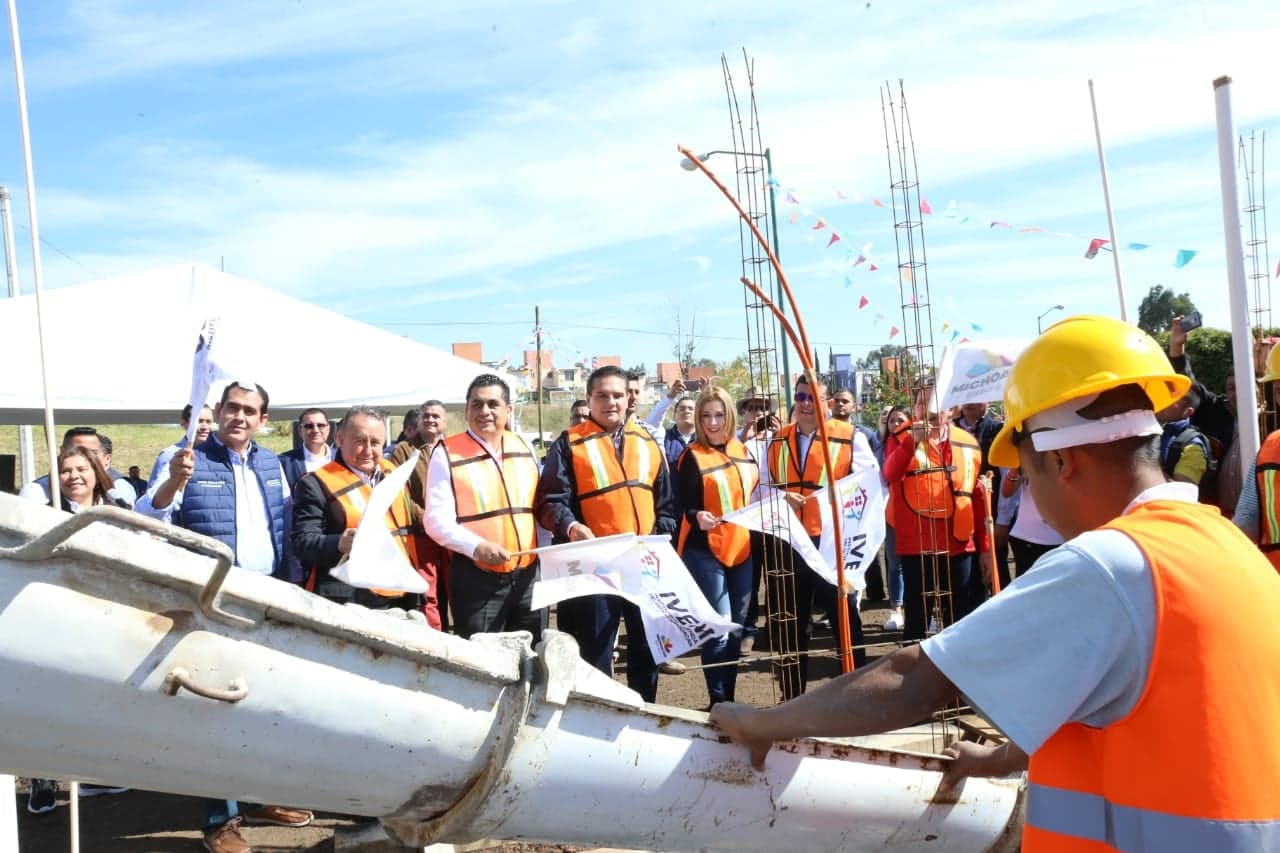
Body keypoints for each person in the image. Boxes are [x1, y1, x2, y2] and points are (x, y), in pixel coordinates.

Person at [713, 315, 1280, 851]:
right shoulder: (1226, 545)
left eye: (1027, 476)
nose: (1032, 495)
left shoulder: (1111, 564)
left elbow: (916, 681)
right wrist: (1003, 758)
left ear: (1064, 464)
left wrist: (766, 722)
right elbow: (1149, 706)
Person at [134, 381, 312, 852]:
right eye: (232, 407)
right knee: (217, 705)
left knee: (267, 703)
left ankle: (260, 797)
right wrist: (175, 479)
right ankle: (221, 820)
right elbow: (148, 515)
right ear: (218, 411)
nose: (240, 416)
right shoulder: (187, 459)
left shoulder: (272, 463)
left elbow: (285, 530)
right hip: (213, 601)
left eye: (250, 411)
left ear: (263, 420)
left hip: (269, 598)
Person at [535, 365, 679, 702]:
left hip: (643, 564)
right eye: (602, 395)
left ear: (629, 397)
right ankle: (597, 715)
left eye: (618, 394)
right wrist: (570, 526)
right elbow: (551, 501)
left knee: (646, 647)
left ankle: (644, 712)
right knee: (596, 647)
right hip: (595, 567)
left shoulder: (647, 442)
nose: (610, 402)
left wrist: (659, 536)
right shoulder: (569, 443)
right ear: (589, 399)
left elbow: (667, 504)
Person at [22, 446, 133, 813]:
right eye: (66, 470)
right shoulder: (45, 515)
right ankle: (43, 778)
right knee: (51, 698)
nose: (74, 476)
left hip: (105, 614)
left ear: (96, 472)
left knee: (97, 696)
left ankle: (93, 773)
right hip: (59, 616)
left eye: (81, 469)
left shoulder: (116, 512)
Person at [766, 375, 872, 699]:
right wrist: (780, 498)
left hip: (831, 543)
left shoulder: (850, 437)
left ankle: (855, 694)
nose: (806, 404)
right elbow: (761, 488)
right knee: (789, 622)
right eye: (800, 397)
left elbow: (869, 485)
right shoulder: (778, 440)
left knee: (843, 619)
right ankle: (792, 695)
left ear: (826, 401)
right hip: (789, 543)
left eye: (814, 397)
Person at [425, 375, 544, 639]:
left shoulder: (524, 447)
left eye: (493, 404)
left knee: (532, 656)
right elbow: (435, 519)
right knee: (484, 660)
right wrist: (476, 547)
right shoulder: (446, 453)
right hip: (477, 577)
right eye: (476, 405)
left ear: (508, 410)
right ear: (467, 410)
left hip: (528, 575)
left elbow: (538, 509)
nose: (485, 411)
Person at [291, 405, 428, 614]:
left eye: (375, 443)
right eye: (360, 441)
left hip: (402, 592)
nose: (368, 450)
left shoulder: (393, 473)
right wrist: (339, 543)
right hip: (351, 600)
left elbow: (410, 518)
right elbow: (303, 543)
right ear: (340, 439)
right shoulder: (314, 484)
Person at [882, 386, 991, 640]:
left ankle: (957, 674)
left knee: (960, 619)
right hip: (917, 544)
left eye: (937, 402)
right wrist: (912, 442)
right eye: (922, 402)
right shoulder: (900, 437)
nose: (930, 408)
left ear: (951, 409)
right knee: (917, 621)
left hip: (960, 544)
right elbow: (890, 473)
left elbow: (975, 496)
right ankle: (916, 676)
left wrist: (984, 548)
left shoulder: (968, 442)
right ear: (916, 407)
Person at [675, 386, 759, 705]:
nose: (712, 422)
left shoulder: (744, 452)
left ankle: (730, 697)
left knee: (736, 628)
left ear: (730, 416)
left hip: (743, 550)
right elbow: (680, 505)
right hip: (704, 550)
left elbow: (755, 496)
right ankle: (718, 700)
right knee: (719, 628)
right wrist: (697, 516)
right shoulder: (690, 457)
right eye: (706, 416)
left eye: (719, 415)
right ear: (698, 419)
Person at [390, 399, 451, 629]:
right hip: (421, 532)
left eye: (436, 416)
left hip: (452, 533)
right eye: (426, 415)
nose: (430, 420)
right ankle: (436, 640)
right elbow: (399, 493)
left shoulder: (454, 448)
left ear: (445, 422)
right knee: (429, 593)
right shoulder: (404, 450)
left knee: (456, 588)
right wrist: (427, 520)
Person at [736, 386, 781, 654]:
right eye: (752, 408)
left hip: (777, 517)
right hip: (748, 518)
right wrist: (744, 439)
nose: (758, 413)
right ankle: (748, 630)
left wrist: (780, 431)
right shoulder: (736, 441)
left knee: (778, 576)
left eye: (763, 407)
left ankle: (777, 628)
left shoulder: (782, 438)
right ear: (743, 412)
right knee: (749, 581)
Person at [19, 426, 136, 508]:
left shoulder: (118, 492)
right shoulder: (37, 492)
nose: (74, 476)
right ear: (62, 452)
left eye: (92, 453)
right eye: (77, 450)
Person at [877, 406, 911, 631]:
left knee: (920, 564)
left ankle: (926, 609)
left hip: (918, 512)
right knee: (895, 563)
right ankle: (896, 609)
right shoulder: (881, 449)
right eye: (892, 421)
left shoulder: (921, 443)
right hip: (892, 513)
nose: (896, 424)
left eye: (900, 420)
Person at [148, 404, 215, 488]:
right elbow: (152, 496)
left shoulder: (218, 455)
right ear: (184, 424)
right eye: (199, 421)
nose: (204, 427)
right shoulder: (169, 455)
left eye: (208, 422)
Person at [1156, 388, 1212, 487]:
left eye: (1172, 401)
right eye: (1163, 397)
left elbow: (1182, 492)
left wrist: (1148, 466)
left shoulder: (1193, 446)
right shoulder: (1150, 431)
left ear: (1188, 412)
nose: (1163, 403)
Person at [279, 408, 332, 490]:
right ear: (300, 430)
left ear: (328, 429)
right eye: (309, 426)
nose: (315, 430)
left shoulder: (342, 457)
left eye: (321, 425)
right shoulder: (284, 462)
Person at [830, 388, 882, 458]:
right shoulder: (820, 432)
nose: (840, 404)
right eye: (836, 401)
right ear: (831, 404)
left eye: (845, 401)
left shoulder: (866, 435)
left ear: (854, 407)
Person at [663, 394, 698, 466]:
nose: (686, 411)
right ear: (674, 415)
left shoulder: (704, 439)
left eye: (691, 409)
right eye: (682, 409)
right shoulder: (664, 438)